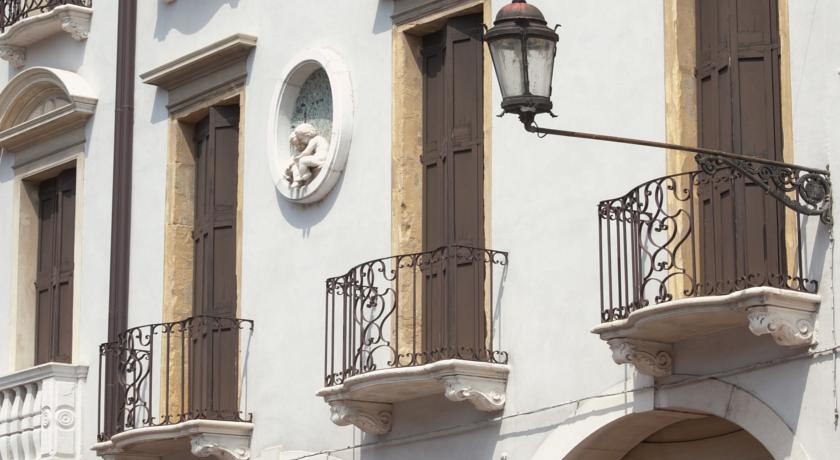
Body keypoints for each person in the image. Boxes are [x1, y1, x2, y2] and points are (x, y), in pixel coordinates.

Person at [285, 123, 329, 189]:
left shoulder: (314, 140)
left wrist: (299, 157)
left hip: (320, 158)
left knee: (302, 161)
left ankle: (302, 176)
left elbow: (306, 152)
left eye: (301, 139)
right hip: (319, 157)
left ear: (307, 135)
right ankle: (302, 178)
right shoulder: (317, 139)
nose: (301, 142)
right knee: (298, 163)